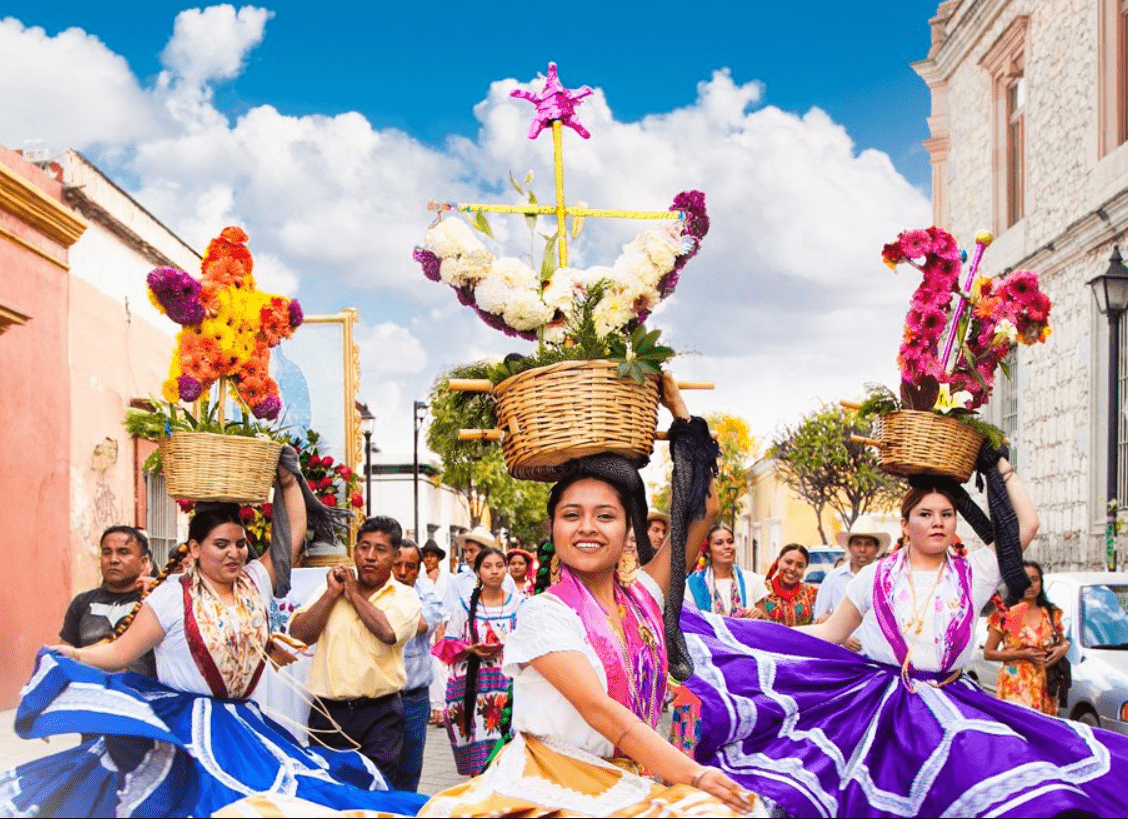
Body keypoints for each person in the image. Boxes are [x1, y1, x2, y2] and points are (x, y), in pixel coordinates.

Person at [680, 453, 1128, 817]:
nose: (938, 522)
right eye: (926, 514)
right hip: (883, 706)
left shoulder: (973, 572)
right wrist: (742, 634)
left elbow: (1026, 525)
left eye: (947, 514)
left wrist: (1001, 468)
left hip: (952, 701)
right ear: (906, 523)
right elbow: (829, 633)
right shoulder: (874, 576)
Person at [420, 375, 757, 817]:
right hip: (552, 785)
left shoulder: (643, 599)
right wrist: (693, 775)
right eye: (571, 515)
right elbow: (601, 712)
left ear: (627, 529)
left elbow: (706, 508)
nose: (587, 528)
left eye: (605, 516)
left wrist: (677, 409)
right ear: (553, 528)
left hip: (625, 778)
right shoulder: (545, 613)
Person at [8, 461, 425, 817]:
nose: (234, 553)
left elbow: (293, 532)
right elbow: (120, 653)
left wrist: (287, 481)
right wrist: (75, 654)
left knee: (282, 799)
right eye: (221, 544)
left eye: (241, 544)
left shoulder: (255, 583)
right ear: (194, 548)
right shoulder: (173, 595)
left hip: (242, 724)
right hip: (184, 726)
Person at [289, 515, 422, 791]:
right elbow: (299, 634)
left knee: (375, 791)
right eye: (364, 547)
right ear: (355, 550)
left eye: (380, 550)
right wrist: (330, 595)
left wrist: (353, 595)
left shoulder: (404, 597)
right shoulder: (331, 589)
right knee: (329, 792)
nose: (370, 556)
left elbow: (388, 632)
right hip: (327, 714)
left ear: (395, 556)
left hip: (380, 715)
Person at [432, 546, 520, 776]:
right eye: (488, 566)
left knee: (507, 761)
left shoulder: (519, 604)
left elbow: (530, 643)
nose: (494, 572)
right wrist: (470, 649)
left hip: (508, 690)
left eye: (500, 566)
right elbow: (445, 646)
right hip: (472, 690)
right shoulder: (463, 605)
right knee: (480, 768)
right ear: (478, 572)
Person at [59, 525, 156, 677]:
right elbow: (64, 656)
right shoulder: (82, 602)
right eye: (106, 552)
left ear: (143, 563)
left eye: (123, 552)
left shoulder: (155, 601)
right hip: (90, 692)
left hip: (142, 694)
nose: (113, 560)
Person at [392, 538, 445, 791]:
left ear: (419, 568)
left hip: (413, 698)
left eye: (410, 566)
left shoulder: (428, 596)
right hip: (380, 696)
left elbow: (422, 625)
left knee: (409, 768)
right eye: (397, 565)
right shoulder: (375, 593)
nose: (403, 573)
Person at [984, 559, 1070, 715]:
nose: (1030, 585)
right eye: (1024, 580)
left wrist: (1062, 649)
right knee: (1019, 731)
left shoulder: (1051, 613)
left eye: (1035, 580)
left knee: (1041, 734)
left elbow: (1063, 642)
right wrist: (1023, 654)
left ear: (1041, 583)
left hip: (1045, 684)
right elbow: (988, 653)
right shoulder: (1006, 615)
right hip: (1015, 685)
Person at [812, 516, 889, 651]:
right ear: (850, 547)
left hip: (876, 656)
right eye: (857, 544)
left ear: (877, 549)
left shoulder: (885, 580)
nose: (862, 549)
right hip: (841, 656)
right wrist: (841, 637)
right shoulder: (833, 579)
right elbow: (819, 620)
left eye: (869, 544)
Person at [685, 524, 767, 617]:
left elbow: (766, 624)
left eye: (730, 542)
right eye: (719, 543)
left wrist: (760, 615)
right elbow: (690, 623)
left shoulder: (752, 580)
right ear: (708, 551)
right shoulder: (692, 584)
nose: (727, 546)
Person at [443, 525, 517, 615]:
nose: (467, 556)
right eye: (465, 551)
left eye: (472, 551)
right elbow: (448, 612)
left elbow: (516, 608)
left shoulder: (506, 579)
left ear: (485, 552)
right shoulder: (458, 581)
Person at [754, 543, 818, 626]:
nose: (792, 568)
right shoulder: (761, 591)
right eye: (788, 562)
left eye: (800, 566)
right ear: (778, 561)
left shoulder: (812, 594)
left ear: (805, 568)